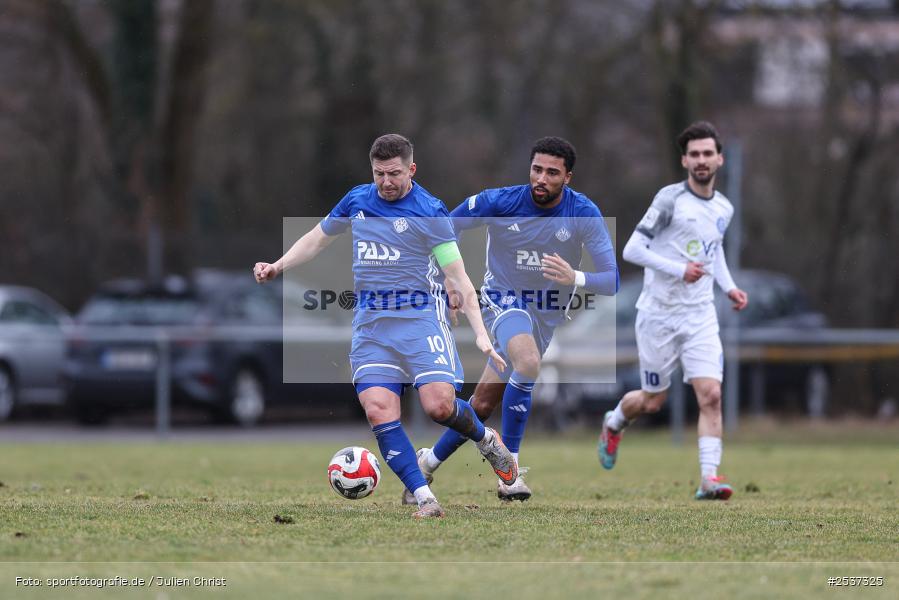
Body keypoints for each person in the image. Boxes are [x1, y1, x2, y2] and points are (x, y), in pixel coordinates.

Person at [254, 134, 517, 518]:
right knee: (379, 410)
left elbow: (458, 276)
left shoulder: (429, 211)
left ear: (411, 169)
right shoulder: (357, 200)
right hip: (372, 328)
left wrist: (479, 332)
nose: (386, 182)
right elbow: (317, 239)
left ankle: (486, 439)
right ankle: (425, 496)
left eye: (394, 173)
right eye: (379, 173)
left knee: (439, 407)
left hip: (420, 321)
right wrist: (278, 265)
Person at [402, 136, 619, 504]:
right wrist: (449, 279)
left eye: (552, 172)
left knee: (483, 404)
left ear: (568, 177)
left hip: (547, 312)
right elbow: (443, 229)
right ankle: (510, 473)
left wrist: (575, 278)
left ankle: (428, 462)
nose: (541, 178)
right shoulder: (500, 201)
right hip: (502, 298)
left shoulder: (583, 213)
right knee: (528, 362)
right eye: (537, 169)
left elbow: (612, 280)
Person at [599, 121, 749, 500]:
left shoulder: (723, 208)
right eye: (694, 154)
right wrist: (678, 269)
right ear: (685, 160)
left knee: (711, 394)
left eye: (707, 154)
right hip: (659, 314)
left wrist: (729, 287)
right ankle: (614, 423)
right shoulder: (669, 200)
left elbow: (712, 255)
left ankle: (708, 479)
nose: (701, 160)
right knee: (653, 401)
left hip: (700, 316)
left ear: (719, 159)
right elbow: (632, 250)